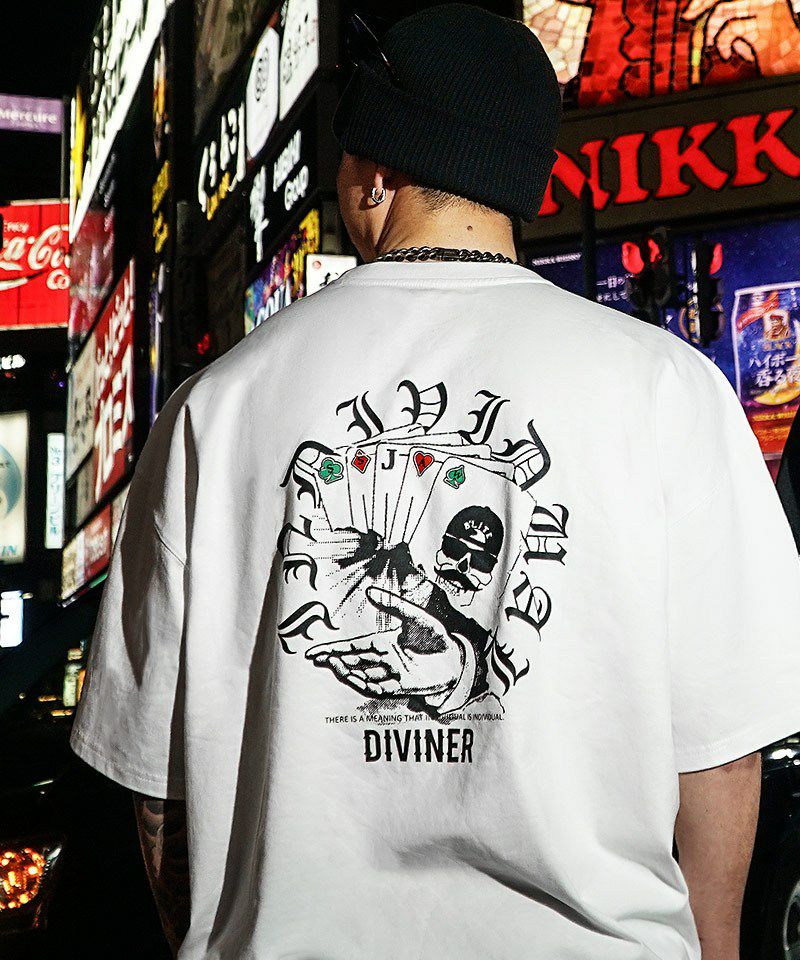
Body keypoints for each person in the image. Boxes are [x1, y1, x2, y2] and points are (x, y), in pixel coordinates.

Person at [70, 5, 800, 959]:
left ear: (375, 174)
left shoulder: (217, 408)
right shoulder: (669, 389)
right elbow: (722, 750)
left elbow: (157, 783)